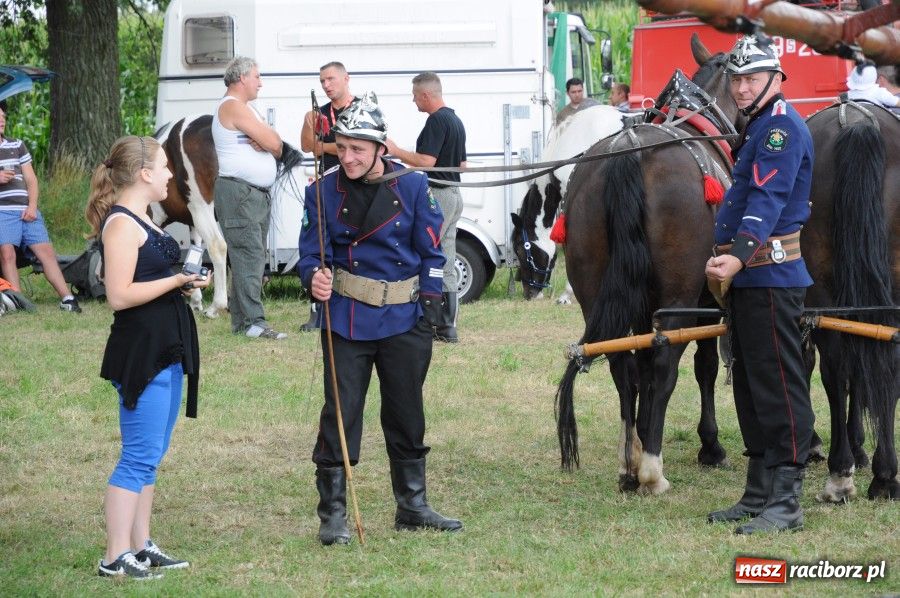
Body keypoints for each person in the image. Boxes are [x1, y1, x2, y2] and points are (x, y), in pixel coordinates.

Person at [299, 92, 462, 545]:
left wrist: (430, 303)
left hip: (405, 319)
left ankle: (412, 505)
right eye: (343, 147)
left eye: (358, 149)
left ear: (379, 149)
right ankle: (332, 514)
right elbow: (310, 254)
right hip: (347, 319)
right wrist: (314, 276)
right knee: (340, 415)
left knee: (407, 413)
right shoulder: (321, 191)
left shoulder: (411, 186)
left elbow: (432, 252)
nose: (347, 157)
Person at [705, 35, 815, 535]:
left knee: (779, 385)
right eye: (737, 79)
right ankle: (757, 491)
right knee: (749, 384)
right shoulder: (756, 128)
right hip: (749, 275)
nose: (742, 87)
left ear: (776, 78)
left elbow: (767, 199)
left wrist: (737, 255)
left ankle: (787, 502)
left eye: (751, 78)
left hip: (770, 274)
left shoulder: (779, 130)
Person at [85, 135, 208, 578]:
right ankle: (115, 556)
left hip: (167, 347)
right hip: (143, 352)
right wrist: (176, 281)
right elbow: (119, 295)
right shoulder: (122, 224)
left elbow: (151, 277)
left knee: (152, 452)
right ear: (144, 174)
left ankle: (141, 543)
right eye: (165, 166)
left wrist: (186, 279)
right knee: (138, 454)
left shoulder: (145, 218)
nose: (171, 174)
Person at [386, 72, 466, 343]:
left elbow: (426, 161)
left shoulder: (436, 121)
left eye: (415, 95)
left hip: (439, 196)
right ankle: (447, 326)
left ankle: (430, 320)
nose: (413, 100)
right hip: (455, 194)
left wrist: (396, 151)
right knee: (446, 257)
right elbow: (462, 165)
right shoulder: (455, 120)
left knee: (427, 253)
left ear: (426, 95)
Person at [213, 55, 287, 340]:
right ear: (242, 78)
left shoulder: (246, 109)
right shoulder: (232, 106)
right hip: (239, 192)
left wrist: (269, 139)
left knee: (250, 257)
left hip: (252, 194)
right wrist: (268, 140)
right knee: (249, 255)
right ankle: (253, 323)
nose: (260, 82)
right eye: (257, 76)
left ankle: (244, 322)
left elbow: (275, 142)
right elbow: (275, 143)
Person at [0, 102, 81, 312]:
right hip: (2, 212)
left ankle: (67, 298)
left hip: (27, 210)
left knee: (46, 252)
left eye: (3, 116)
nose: (1, 120)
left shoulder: (16, 145)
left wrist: (33, 206)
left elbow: (32, 180)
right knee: (7, 253)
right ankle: (17, 300)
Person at [298, 61, 358, 332]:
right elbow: (307, 146)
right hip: (326, 187)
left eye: (331, 79)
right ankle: (317, 308)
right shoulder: (318, 113)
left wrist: (326, 146)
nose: (326, 85)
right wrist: (308, 124)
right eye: (322, 81)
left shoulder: (361, 108)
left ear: (346, 78)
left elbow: (359, 145)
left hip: (355, 186)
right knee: (321, 243)